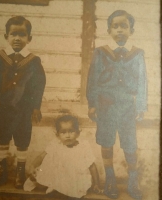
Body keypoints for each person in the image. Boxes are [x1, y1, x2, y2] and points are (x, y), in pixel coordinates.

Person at [86, 10, 147, 200]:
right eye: (115, 26)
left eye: (124, 26)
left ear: (132, 30)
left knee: (130, 143)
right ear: (109, 30)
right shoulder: (101, 52)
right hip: (106, 105)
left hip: (127, 106)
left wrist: (141, 106)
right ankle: (110, 178)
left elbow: (143, 81)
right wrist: (93, 103)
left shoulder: (137, 54)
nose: (120, 30)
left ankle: (132, 179)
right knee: (107, 140)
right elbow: (93, 79)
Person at [0, 16, 46, 189]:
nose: (17, 38)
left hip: (23, 109)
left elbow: (38, 85)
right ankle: (2, 172)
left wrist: (35, 107)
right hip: (2, 107)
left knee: (22, 139)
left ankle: (20, 173)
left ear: (29, 38)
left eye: (22, 34)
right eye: (13, 34)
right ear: (6, 37)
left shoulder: (33, 61)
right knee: (2, 139)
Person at [24, 114, 102, 198]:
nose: (67, 135)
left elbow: (92, 166)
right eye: (63, 132)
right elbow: (41, 157)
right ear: (57, 135)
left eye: (71, 131)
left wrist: (96, 184)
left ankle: (58, 188)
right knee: (49, 160)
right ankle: (38, 181)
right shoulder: (55, 144)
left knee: (75, 187)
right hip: (57, 174)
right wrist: (32, 166)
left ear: (78, 133)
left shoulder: (83, 146)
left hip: (75, 177)